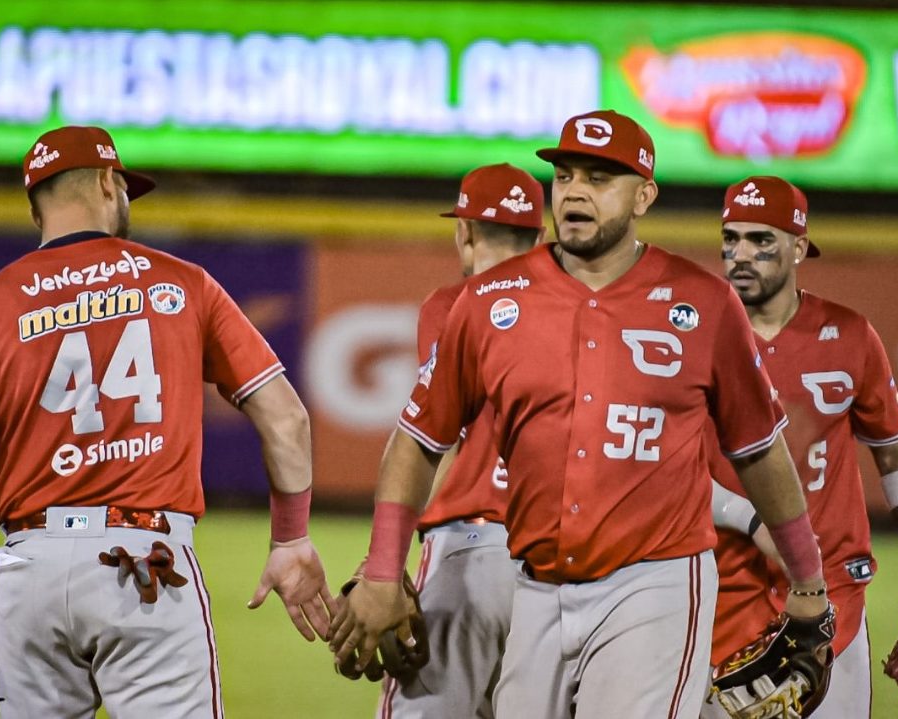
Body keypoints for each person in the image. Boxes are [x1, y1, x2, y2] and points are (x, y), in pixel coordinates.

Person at [328, 110, 833, 718]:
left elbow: (759, 449)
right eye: (565, 175)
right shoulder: (489, 302)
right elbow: (417, 439)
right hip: (535, 584)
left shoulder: (704, 302)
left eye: (600, 178)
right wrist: (383, 568)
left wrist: (808, 585)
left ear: (644, 195)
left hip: (655, 581)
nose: (574, 191)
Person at [0, 125, 335, 718]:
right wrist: (290, 537)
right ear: (111, 184)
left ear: (35, 207)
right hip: (143, 567)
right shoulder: (184, 283)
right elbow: (286, 416)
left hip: (28, 567)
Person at [701, 175, 898, 718]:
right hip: (723, 589)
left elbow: (896, 455)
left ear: (800, 247)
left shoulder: (850, 334)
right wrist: (752, 523)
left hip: (836, 597)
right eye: (732, 238)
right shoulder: (697, 338)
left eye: (762, 240)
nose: (742, 254)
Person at [377, 163, 545, 718]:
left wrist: (383, 564)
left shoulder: (450, 307)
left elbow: (433, 434)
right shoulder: (580, 313)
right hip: (560, 569)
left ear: (464, 232)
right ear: (541, 238)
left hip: (468, 554)